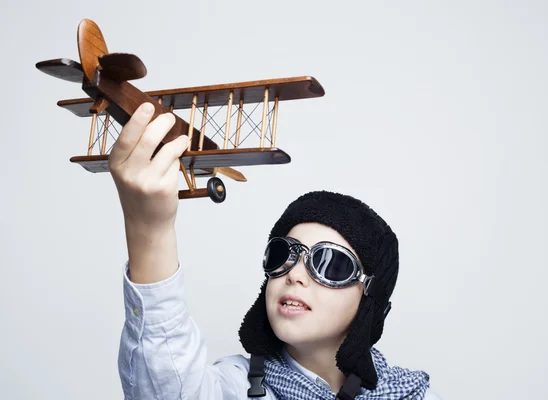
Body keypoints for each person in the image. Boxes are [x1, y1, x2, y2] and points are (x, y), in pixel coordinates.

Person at [111, 103, 443, 400]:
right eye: (283, 255)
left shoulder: (414, 394)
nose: (295, 275)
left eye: (329, 264)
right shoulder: (229, 388)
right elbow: (166, 387)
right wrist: (149, 230)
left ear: (370, 296)